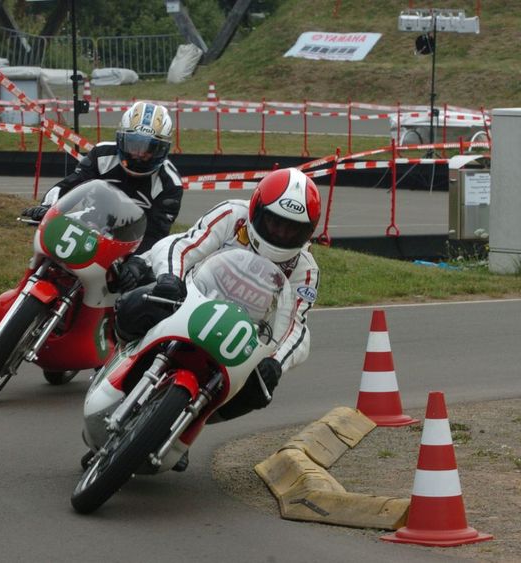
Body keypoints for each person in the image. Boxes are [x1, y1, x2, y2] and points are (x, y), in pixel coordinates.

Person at [116, 166, 322, 423]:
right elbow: (182, 244)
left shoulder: (305, 268)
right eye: (274, 222)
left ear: (307, 231)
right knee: (140, 302)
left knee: (260, 390)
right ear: (257, 209)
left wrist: (276, 362)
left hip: (237, 336)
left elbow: (295, 327)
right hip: (190, 298)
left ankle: (187, 425)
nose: (280, 233)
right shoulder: (232, 214)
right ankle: (117, 361)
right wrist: (170, 277)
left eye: (291, 229)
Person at [21, 101, 183, 255]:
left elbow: (156, 235)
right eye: (134, 144)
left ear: (163, 149)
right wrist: (47, 207)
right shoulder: (102, 154)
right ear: (121, 139)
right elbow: (71, 184)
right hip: (90, 224)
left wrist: (137, 264)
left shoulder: (170, 183)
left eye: (150, 148)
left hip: (134, 243)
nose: (139, 154)